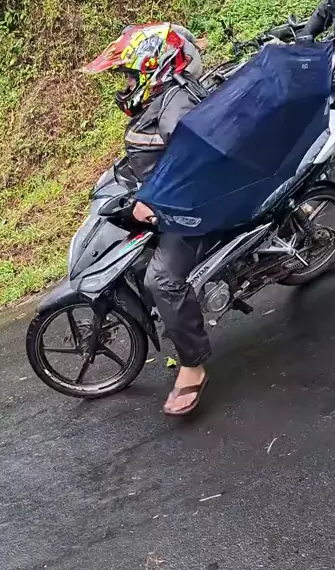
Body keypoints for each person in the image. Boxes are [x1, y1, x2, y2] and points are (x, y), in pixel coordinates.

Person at [82, 23, 210, 417]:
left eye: (129, 76)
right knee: (135, 260)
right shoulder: (158, 99)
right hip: (167, 200)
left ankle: (194, 365)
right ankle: (176, 322)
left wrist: (154, 205)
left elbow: (196, 172)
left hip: (192, 210)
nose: (124, 85)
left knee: (161, 280)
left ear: (155, 69)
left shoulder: (177, 109)